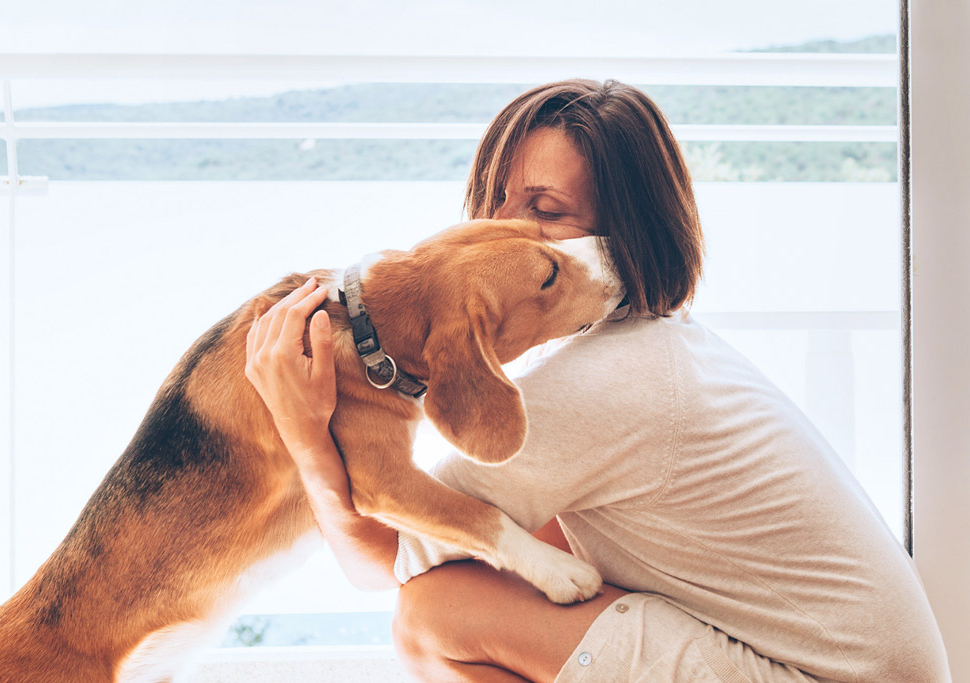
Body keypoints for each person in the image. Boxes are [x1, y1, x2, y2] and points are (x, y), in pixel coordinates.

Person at [244, 79, 950, 682]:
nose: (505, 234)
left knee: (436, 609)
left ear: (620, 237)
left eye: (546, 212)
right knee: (534, 551)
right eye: (496, 202)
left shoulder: (604, 384)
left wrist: (302, 426)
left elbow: (380, 561)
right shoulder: (662, 346)